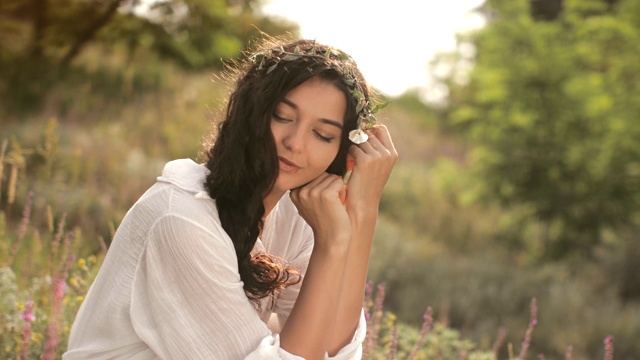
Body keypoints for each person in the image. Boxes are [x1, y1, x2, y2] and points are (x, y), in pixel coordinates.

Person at [63, 37, 397, 360]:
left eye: (322, 134)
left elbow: (331, 350)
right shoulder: (182, 219)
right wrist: (332, 245)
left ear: (341, 152)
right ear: (252, 113)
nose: (296, 143)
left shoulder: (300, 214)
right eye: (282, 116)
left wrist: (362, 214)